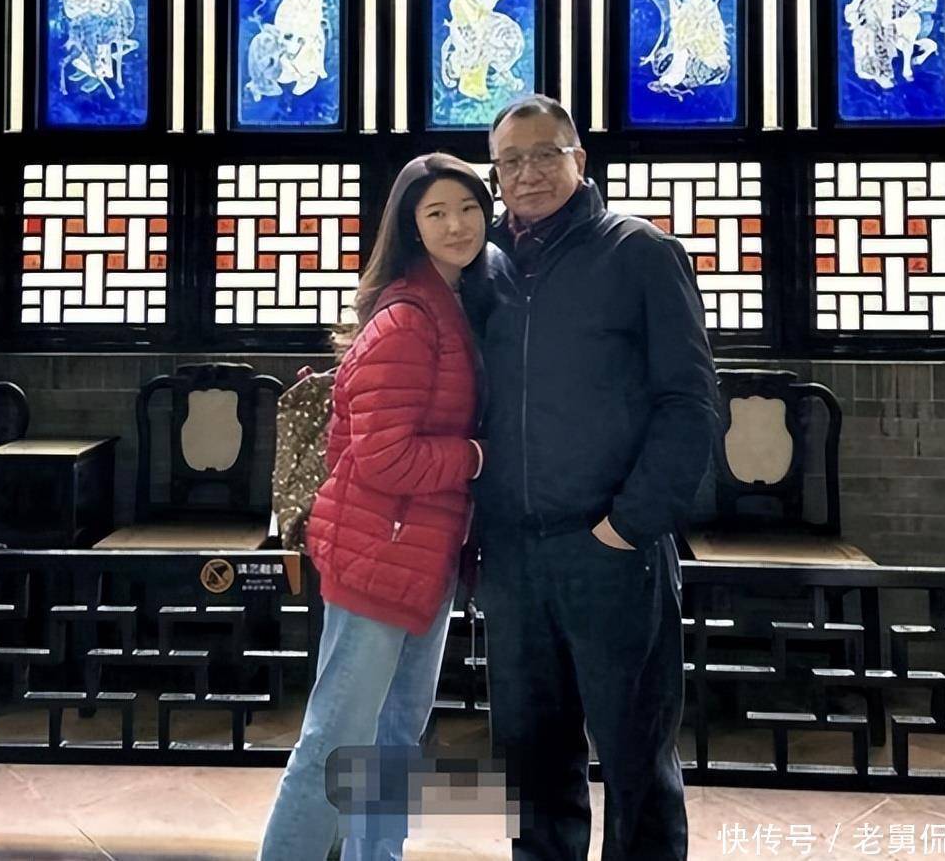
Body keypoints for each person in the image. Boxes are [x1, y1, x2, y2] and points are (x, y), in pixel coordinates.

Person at [474, 95, 719, 861]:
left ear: (579, 159)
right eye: (511, 160)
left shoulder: (639, 252)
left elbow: (690, 403)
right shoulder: (484, 265)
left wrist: (628, 525)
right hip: (513, 556)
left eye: (545, 154)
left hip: (612, 548)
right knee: (531, 756)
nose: (528, 173)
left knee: (636, 753)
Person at [259, 153, 492, 861]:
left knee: (394, 736)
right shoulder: (409, 320)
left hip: (421, 550)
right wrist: (477, 457)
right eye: (436, 212)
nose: (457, 225)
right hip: (379, 552)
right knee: (336, 741)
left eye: (468, 208)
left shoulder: (457, 303)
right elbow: (386, 457)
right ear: (411, 227)